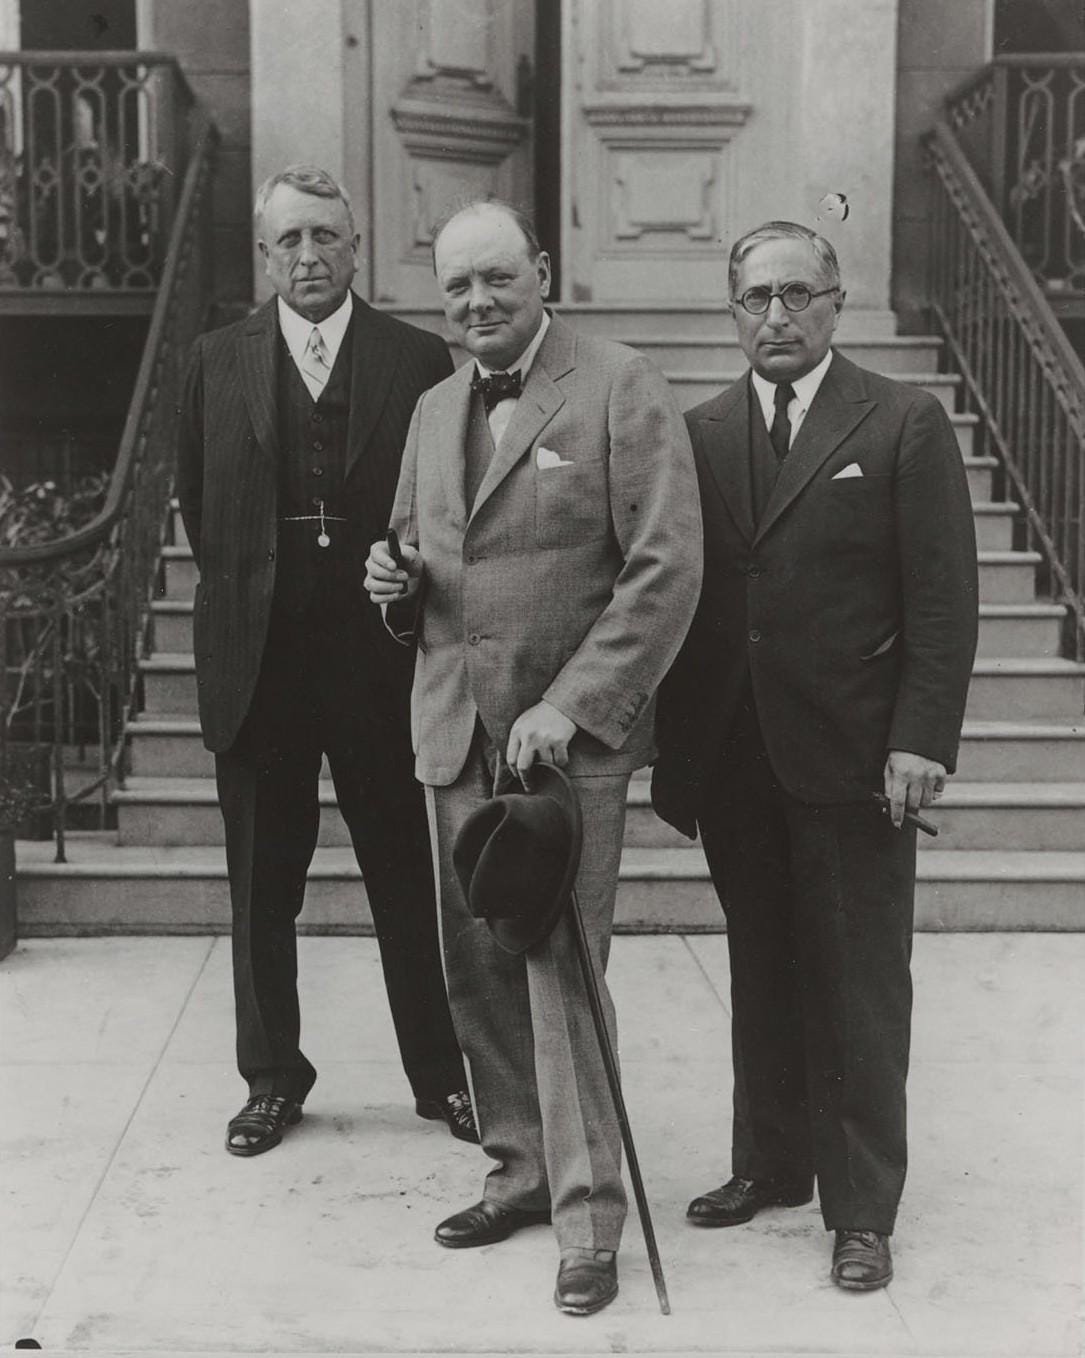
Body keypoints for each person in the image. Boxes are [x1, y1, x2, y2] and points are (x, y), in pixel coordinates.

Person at [364, 200, 702, 1316]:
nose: (473, 305)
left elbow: (664, 569)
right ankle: (515, 1169)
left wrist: (572, 704)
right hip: (453, 728)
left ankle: (588, 1218)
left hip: (560, 749)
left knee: (558, 976)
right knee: (474, 967)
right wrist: (394, 588)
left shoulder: (618, 382)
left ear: (540, 271)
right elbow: (431, 569)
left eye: (495, 280)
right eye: (454, 287)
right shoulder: (428, 409)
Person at [652, 220, 978, 1290]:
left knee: (857, 984)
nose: (775, 316)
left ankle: (860, 1205)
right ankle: (771, 1162)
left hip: (852, 759)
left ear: (836, 302)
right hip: (735, 755)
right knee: (760, 966)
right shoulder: (695, 430)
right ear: (730, 308)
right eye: (754, 297)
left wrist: (919, 738)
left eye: (796, 294)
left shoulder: (900, 422)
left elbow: (940, 599)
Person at [176, 165, 476, 1158]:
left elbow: (444, 503)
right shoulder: (213, 361)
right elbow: (199, 507)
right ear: (263, 254)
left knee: (405, 879)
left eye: (325, 238)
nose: (307, 256)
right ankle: (270, 1076)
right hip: (259, 671)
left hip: (379, 669)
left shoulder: (418, 359)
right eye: (288, 240)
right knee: (262, 885)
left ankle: (442, 1074)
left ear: (356, 246)